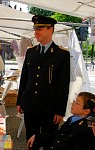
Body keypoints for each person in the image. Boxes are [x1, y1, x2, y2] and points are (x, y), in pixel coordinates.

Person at [16, 15, 70, 150]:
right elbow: (24, 78)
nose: (36, 32)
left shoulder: (61, 54)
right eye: (35, 29)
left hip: (50, 108)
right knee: (30, 141)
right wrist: (19, 101)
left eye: (40, 29)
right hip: (30, 105)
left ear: (50, 29)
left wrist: (60, 110)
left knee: (49, 142)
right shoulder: (31, 52)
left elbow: (63, 85)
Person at [27, 92, 95, 150]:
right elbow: (58, 136)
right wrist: (38, 136)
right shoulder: (72, 119)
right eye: (75, 100)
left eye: (77, 103)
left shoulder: (86, 129)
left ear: (86, 111)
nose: (72, 103)